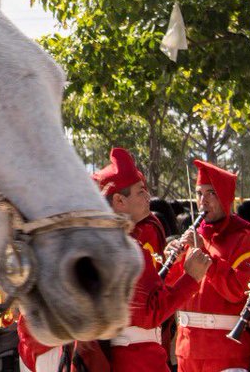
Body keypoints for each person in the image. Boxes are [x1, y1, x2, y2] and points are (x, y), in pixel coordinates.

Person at [93, 148, 209, 370]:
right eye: (140, 192)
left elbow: (152, 298)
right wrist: (192, 278)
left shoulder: (109, 244)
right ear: (119, 201)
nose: (148, 197)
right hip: (136, 360)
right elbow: (149, 314)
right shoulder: (123, 249)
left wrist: (174, 267)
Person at [166, 159, 250, 372]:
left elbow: (237, 292)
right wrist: (173, 262)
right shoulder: (195, 236)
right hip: (186, 351)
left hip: (225, 351)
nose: (203, 201)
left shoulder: (245, 237)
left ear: (226, 196)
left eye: (211, 193)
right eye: (200, 193)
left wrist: (205, 255)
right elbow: (170, 292)